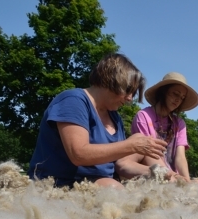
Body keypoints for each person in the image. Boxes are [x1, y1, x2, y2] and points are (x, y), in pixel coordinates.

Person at [27, 53, 167, 188]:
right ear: (112, 80)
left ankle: (169, 177)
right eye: (128, 90)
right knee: (113, 187)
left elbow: (118, 162)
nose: (130, 98)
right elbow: (78, 154)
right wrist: (131, 146)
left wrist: (153, 171)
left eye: (133, 93)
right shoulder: (73, 101)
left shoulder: (114, 116)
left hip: (105, 182)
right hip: (63, 184)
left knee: (142, 140)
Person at [115, 72, 198, 182]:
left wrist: (187, 181)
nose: (178, 99)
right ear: (163, 92)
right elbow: (147, 153)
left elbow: (180, 156)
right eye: (175, 94)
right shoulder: (144, 116)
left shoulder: (180, 123)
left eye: (182, 97)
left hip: (174, 175)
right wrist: (168, 174)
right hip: (152, 171)